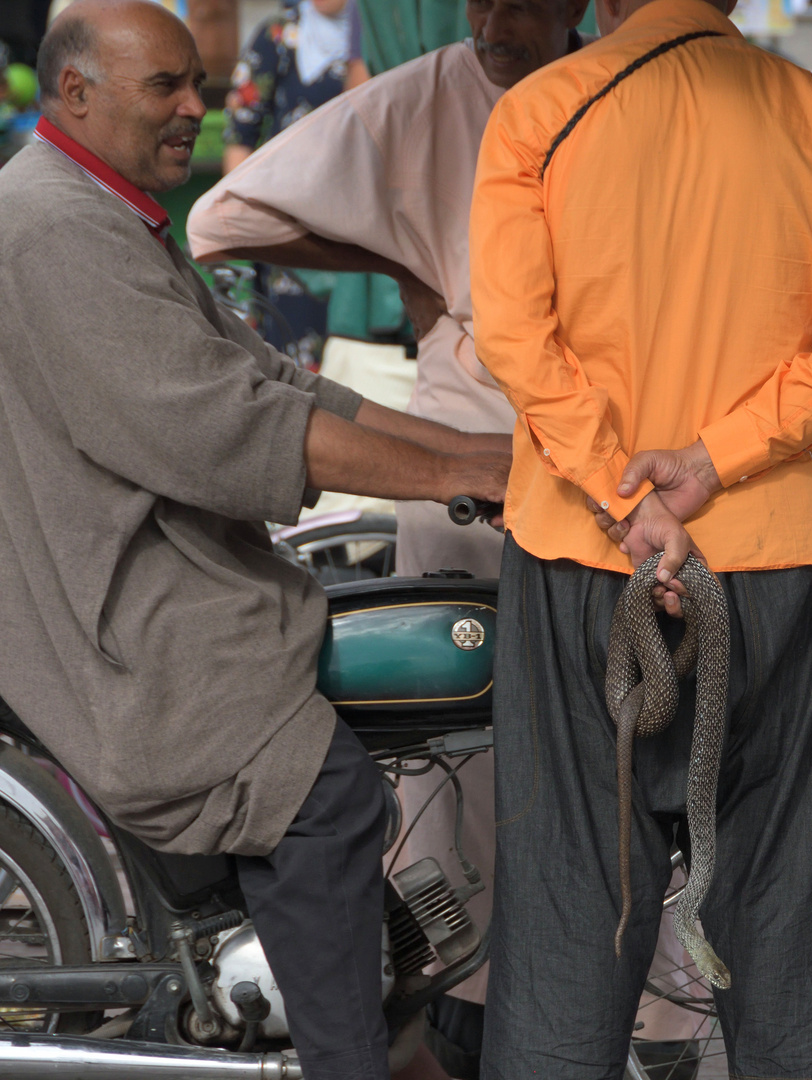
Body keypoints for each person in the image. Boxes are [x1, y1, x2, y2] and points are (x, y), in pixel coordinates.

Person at [0, 4, 510, 1078]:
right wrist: (458, 475)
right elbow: (221, 426)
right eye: (164, 88)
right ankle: (347, 1062)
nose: (196, 107)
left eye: (197, 83)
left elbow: (274, 378)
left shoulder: (104, 210)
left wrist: (472, 452)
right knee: (327, 798)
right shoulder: (53, 228)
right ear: (76, 93)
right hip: (123, 615)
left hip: (152, 575)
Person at [467, 0, 812, 1070]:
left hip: (584, 556)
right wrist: (709, 462)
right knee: (794, 909)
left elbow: (513, 339)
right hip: (777, 567)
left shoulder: (540, 113)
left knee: (574, 909)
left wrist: (633, 501)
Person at [187, 0, 589, 1057]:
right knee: (461, 752)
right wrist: (406, 261)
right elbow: (221, 218)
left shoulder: (619, 92)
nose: (499, 17)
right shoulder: (427, 96)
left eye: (527, 0)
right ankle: (457, 1005)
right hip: (465, 452)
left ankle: (603, 1006)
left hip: (603, 458)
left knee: (596, 745)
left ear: (578, 9)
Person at [219, 0, 350, 367]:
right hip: (285, 227)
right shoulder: (276, 36)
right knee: (288, 357)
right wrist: (242, 224)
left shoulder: (371, 39)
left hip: (355, 229)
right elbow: (240, 134)